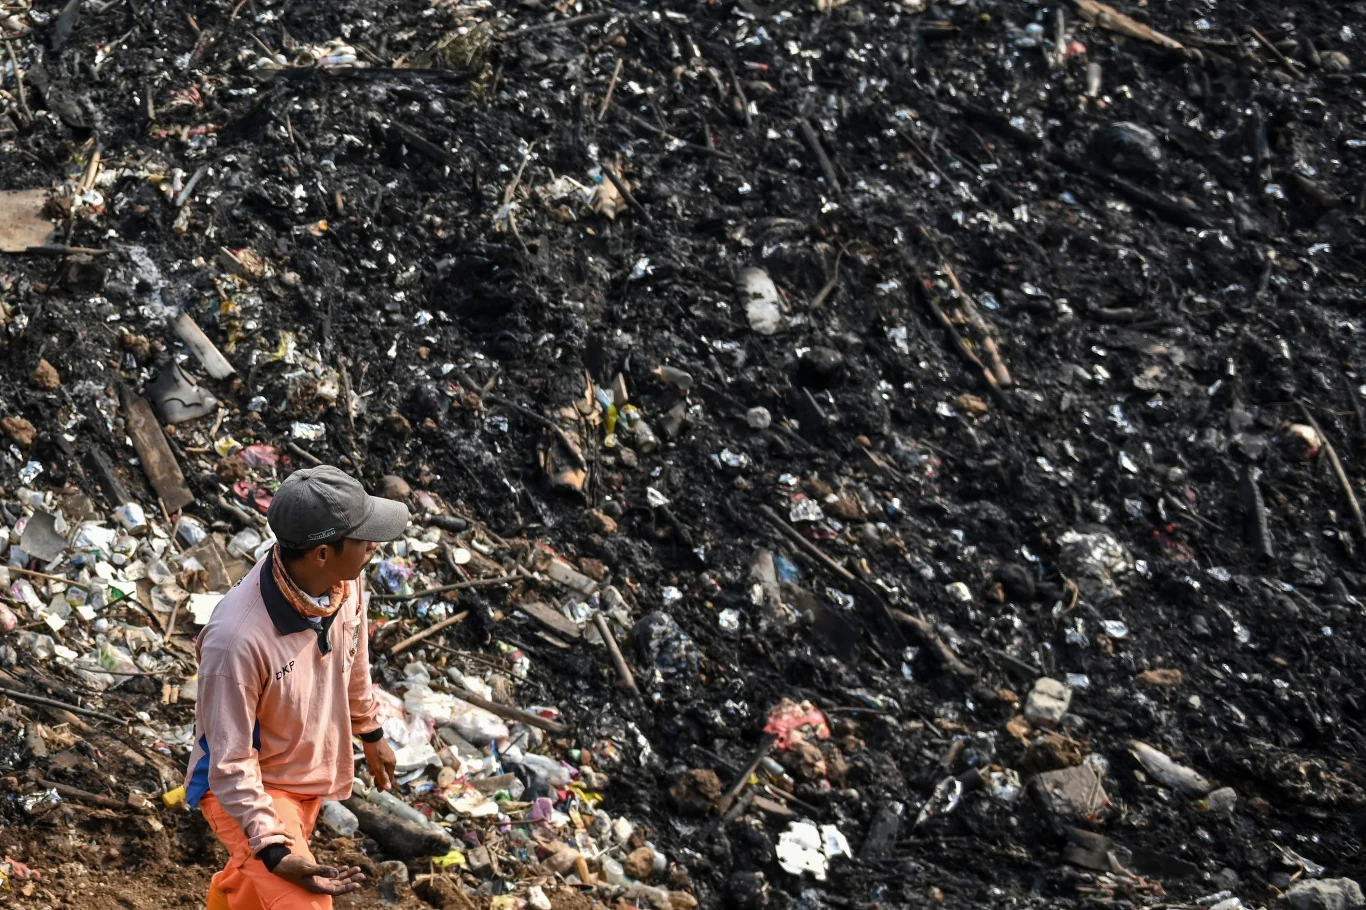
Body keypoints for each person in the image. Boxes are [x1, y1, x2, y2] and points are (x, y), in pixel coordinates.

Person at [185, 465, 406, 910]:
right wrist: (271, 845)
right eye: (364, 539)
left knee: (249, 889)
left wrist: (371, 732)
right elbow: (230, 761)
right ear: (323, 552)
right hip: (251, 788)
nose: (374, 548)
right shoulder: (237, 641)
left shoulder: (344, 581)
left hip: (306, 773)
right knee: (303, 902)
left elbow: (353, 657)